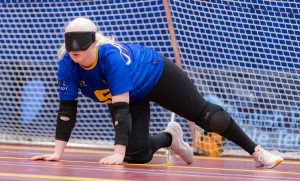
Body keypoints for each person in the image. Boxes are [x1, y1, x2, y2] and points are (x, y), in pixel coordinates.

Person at [30, 17, 283, 168]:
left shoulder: (111, 59)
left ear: (95, 43)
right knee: (136, 155)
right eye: (71, 50)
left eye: (82, 49)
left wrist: (117, 154)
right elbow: (66, 111)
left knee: (210, 118)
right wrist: (57, 153)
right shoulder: (67, 65)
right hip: (133, 95)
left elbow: (119, 109)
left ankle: (258, 152)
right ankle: (170, 138)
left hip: (156, 75)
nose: (76, 54)